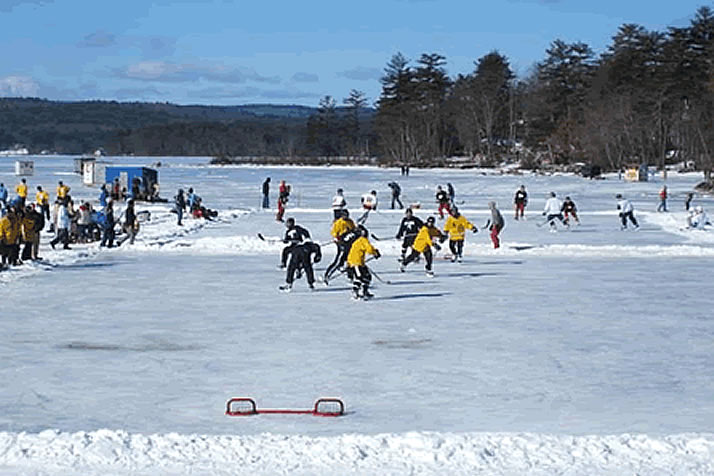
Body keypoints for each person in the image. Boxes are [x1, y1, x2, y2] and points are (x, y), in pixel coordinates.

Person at [346, 225, 380, 300]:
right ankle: (355, 292)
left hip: (359, 263)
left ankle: (365, 291)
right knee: (360, 277)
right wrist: (375, 253)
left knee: (367, 276)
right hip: (356, 263)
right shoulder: (363, 240)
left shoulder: (357, 241)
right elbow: (369, 249)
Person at [324, 209, 356, 283]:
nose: (346, 216)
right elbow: (334, 233)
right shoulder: (338, 222)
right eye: (344, 215)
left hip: (349, 243)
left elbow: (353, 230)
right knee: (339, 260)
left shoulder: (350, 222)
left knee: (350, 259)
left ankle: (351, 276)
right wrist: (336, 238)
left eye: (347, 215)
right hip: (341, 243)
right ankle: (327, 275)